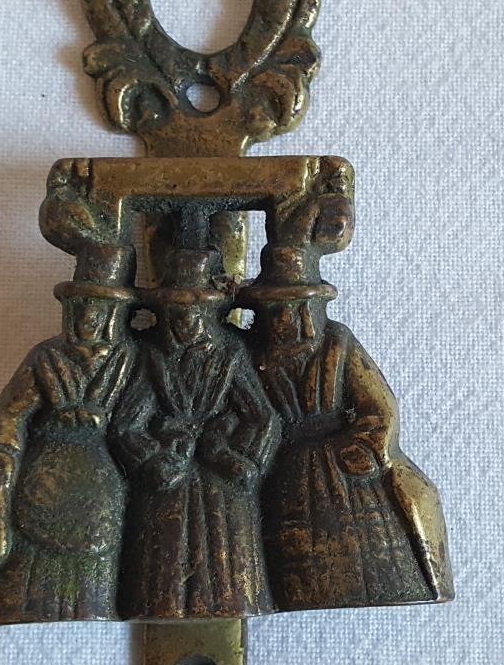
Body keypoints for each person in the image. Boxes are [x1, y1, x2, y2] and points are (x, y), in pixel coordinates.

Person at [240, 248, 451, 611]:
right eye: (273, 310)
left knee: (364, 549)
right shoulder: (254, 354)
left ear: (309, 310)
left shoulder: (337, 344)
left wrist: (363, 447)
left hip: (343, 468)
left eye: (291, 308)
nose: (282, 319)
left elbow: (380, 407)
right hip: (288, 472)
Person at [0, 244, 137, 624]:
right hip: (44, 482)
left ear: (112, 313)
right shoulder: (47, 357)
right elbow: (9, 416)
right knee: (34, 571)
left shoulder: (127, 359)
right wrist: (0, 458)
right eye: (82, 307)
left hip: (99, 492)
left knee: (91, 574)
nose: (88, 316)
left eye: (98, 308)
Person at [114, 250, 278, 619]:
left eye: (194, 311)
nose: (186, 320)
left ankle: (230, 602)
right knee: (166, 555)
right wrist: (155, 460)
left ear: (209, 312)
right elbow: (127, 423)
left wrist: (240, 459)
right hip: (170, 474)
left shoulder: (230, 354)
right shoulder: (153, 358)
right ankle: (162, 604)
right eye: (177, 311)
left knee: (226, 555)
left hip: (220, 478)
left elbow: (261, 416)